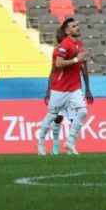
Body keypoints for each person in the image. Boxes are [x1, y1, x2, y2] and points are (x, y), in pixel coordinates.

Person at [36, 18, 89, 156]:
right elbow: (59, 64)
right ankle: (40, 141)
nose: (77, 27)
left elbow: (83, 65)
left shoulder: (79, 44)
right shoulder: (64, 45)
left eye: (77, 25)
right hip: (60, 88)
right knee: (52, 116)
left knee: (83, 111)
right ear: (67, 30)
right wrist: (77, 59)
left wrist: (87, 86)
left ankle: (70, 142)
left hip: (74, 87)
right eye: (74, 26)